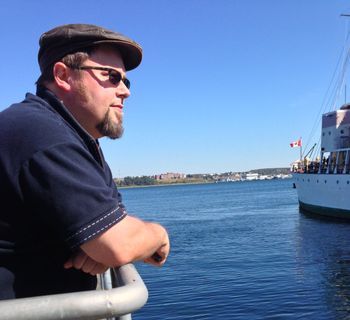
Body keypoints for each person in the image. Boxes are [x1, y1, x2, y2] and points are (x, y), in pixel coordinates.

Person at [0, 23, 170, 300]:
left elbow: (115, 227)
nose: (125, 91)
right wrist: (159, 234)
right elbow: (120, 244)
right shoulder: (42, 135)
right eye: (111, 76)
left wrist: (104, 245)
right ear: (63, 75)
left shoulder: (76, 138)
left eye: (126, 81)